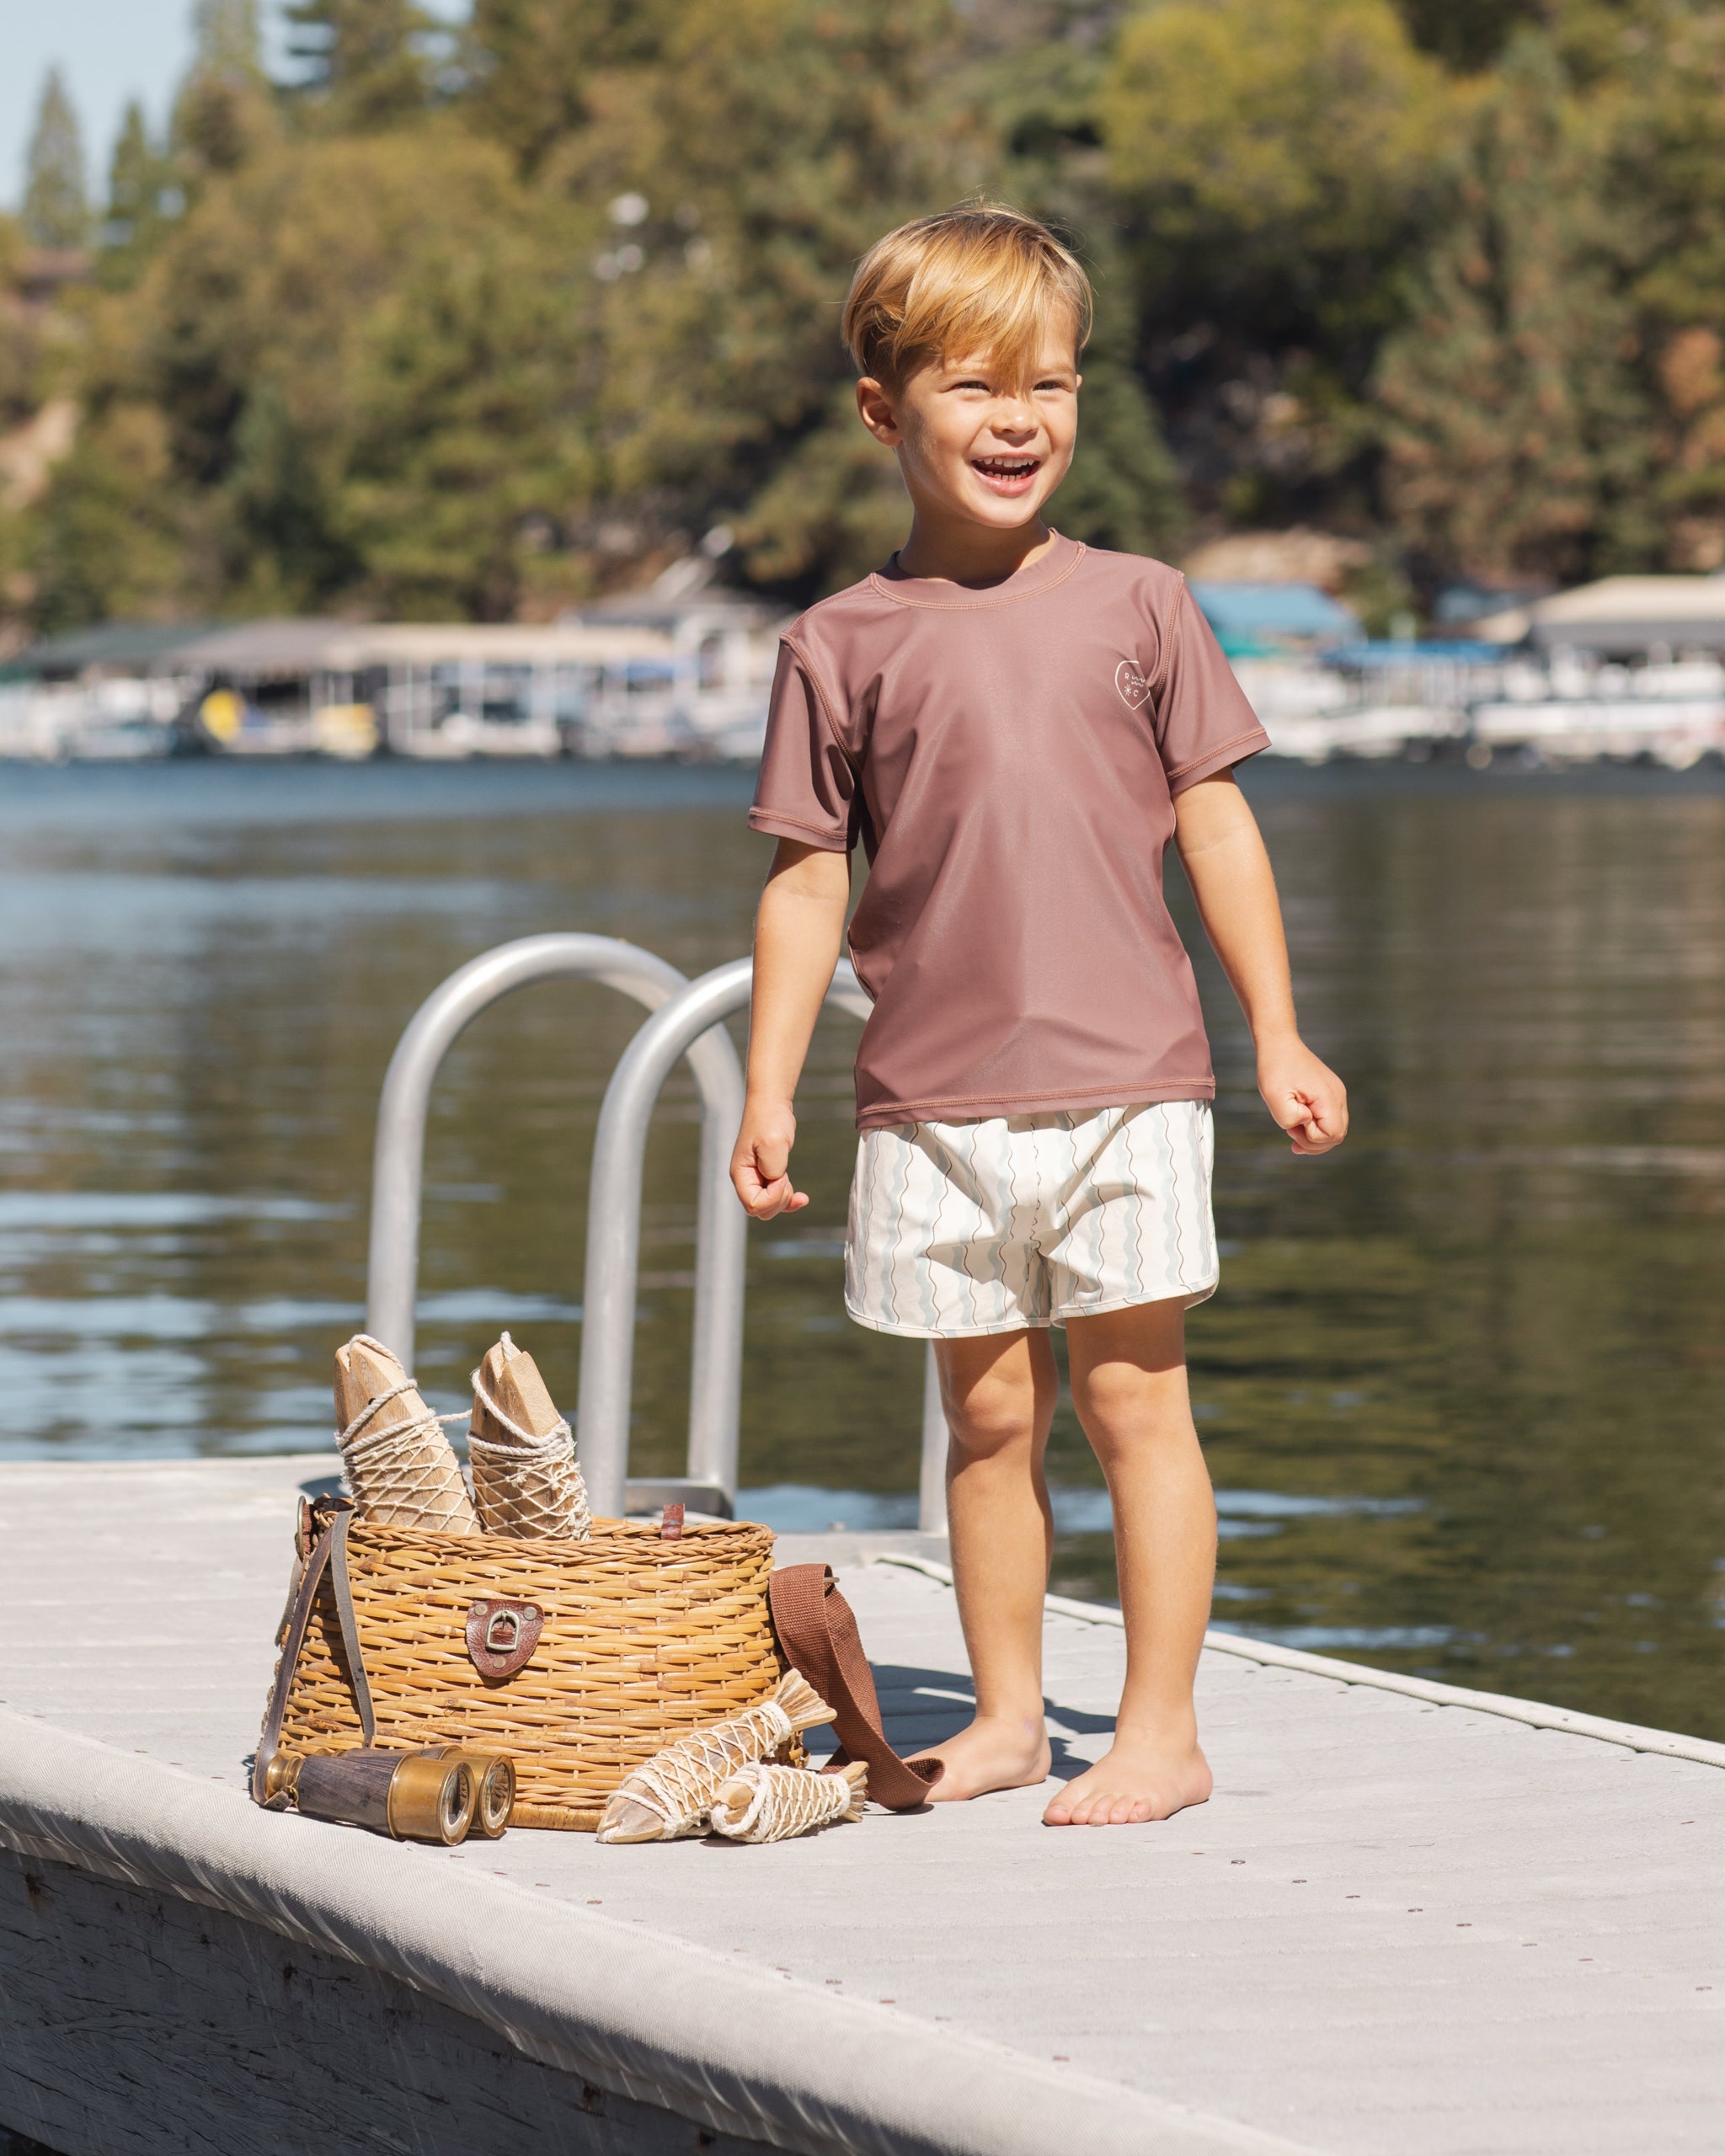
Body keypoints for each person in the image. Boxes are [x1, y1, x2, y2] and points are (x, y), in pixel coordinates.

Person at [729, 204, 1348, 1828]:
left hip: (1131, 1083)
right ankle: (1007, 1717)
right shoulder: (836, 644)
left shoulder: (1141, 605)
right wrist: (769, 1086)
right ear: (885, 411)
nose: (1022, 419)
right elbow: (806, 882)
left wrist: (1278, 1033)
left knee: (1137, 1398)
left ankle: (1159, 1732)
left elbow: (1215, 824)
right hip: (928, 1103)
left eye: (1053, 385)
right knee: (987, 1410)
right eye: (978, 386)